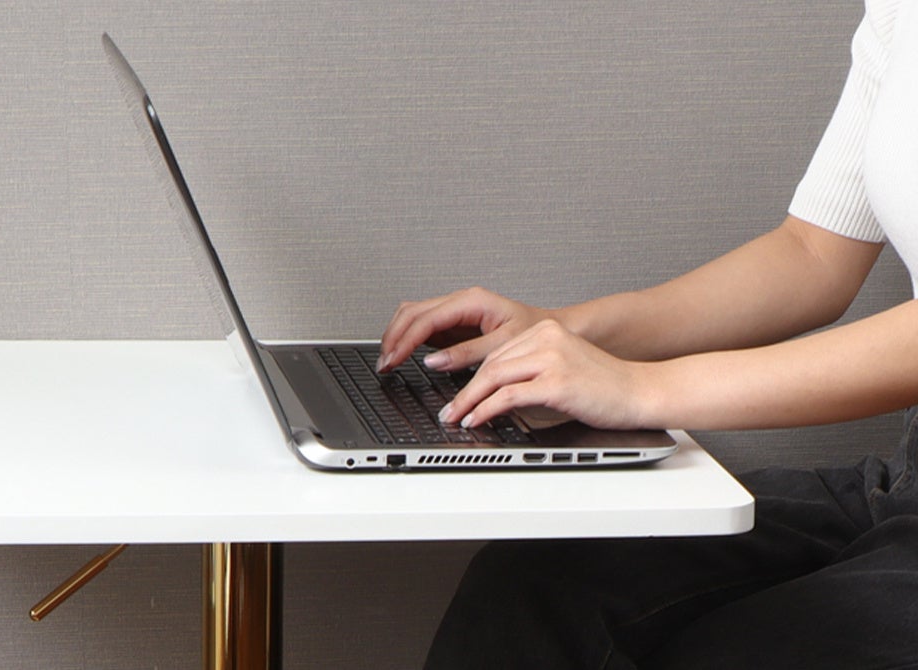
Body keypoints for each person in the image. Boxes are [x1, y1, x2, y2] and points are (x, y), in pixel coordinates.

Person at [376, 0, 918, 667]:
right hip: (903, 487)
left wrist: (639, 389)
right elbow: (813, 254)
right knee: (530, 591)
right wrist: (561, 332)